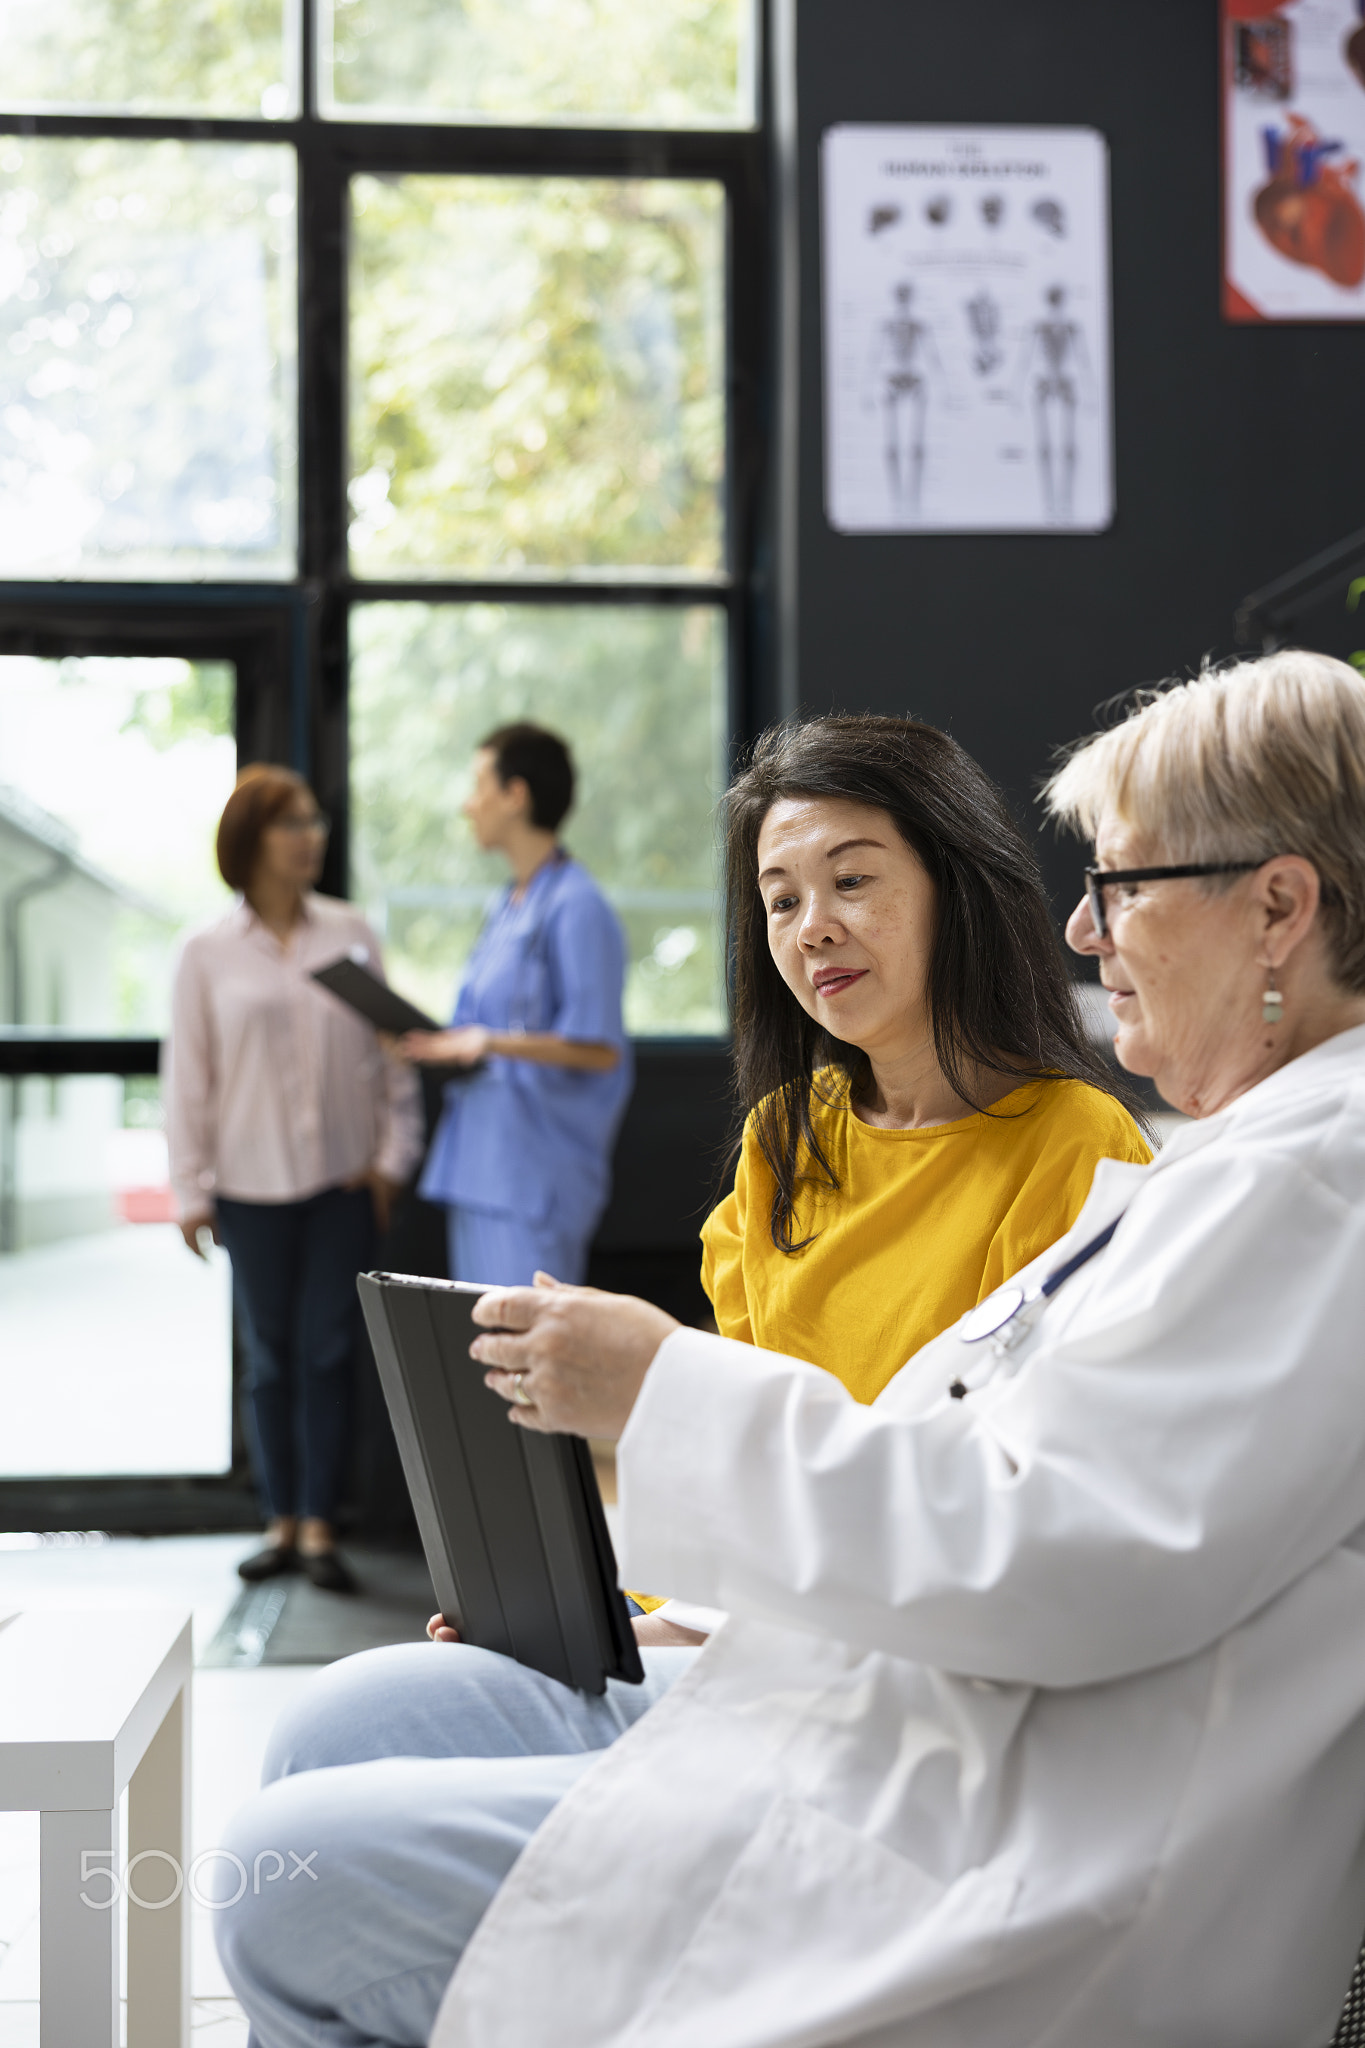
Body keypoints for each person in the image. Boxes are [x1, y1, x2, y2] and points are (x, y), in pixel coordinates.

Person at [213, 649, 1365, 2047]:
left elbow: (1031, 1538)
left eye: (1120, 886)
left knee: (288, 1882)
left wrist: (658, 1390)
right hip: (869, 1677)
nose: (1085, 932)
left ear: (1279, 910)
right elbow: (966, 1475)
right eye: (779, 900)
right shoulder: (1242, 1164)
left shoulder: (1275, 1186)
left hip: (970, 1797)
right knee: (343, 1729)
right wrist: (583, 1589)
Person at [638, 713, 1150, 1639]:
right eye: (781, 900)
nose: (813, 929)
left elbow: (1017, 1511)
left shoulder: (1077, 1149)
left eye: (852, 881)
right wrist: (603, 1624)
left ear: (956, 888)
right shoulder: (782, 1138)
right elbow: (736, 1470)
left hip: (912, 1648)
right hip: (747, 1621)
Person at [165, 765, 422, 1592]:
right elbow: (187, 1077)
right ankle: (277, 1518)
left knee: (328, 1353)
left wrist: (391, 1162)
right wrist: (189, 1190)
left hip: (344, 1185)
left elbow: (395, 1060)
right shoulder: (204, 952)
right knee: (270, 1358)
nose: (312, 836)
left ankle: (319, 1526)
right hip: (246, 1188)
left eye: (315, 822)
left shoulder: (351, 933)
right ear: (251, 842)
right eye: (292, 824)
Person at [400, 722, 632, 1288]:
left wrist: (490, 1042)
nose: (467, 804)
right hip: (481, 1164)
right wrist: (437, 1043)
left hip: (535, 1174)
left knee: (526, 1360)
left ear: (516, 795)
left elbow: (599, 1049)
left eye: (479, 784)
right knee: (478, 1356)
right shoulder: (507, 904)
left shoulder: (578, 905)